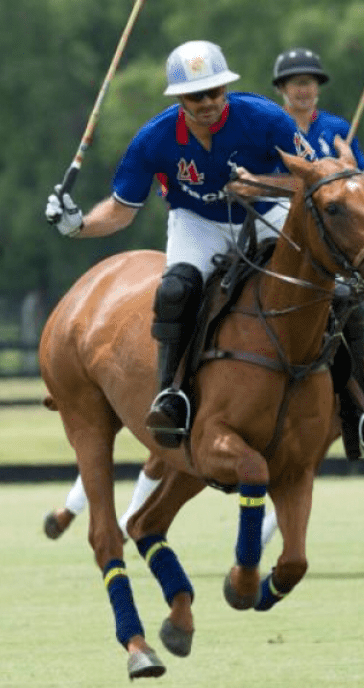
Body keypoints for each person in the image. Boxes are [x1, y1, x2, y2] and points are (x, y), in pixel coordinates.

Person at [44, 39, 310, 449]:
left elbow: (317, 181)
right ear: (179, 98)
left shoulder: (265, 118)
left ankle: (358, 406)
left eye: (214, 91)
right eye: (194, 95)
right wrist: (78, 225)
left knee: (332, 279)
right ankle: (172, 394)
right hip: (197, 222)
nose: (207, 102)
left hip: (266, 212)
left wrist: (261, 185)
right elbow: (120, 209)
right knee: (174, 290)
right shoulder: (155, 138)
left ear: (226, 88)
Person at [270, 47, 364, 459]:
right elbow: (254, 177)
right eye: (296, 82)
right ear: (282, 89)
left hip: (333, 230)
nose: (305, 89)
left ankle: (363, 419)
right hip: (279, 222)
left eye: (310, 82)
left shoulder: (336, 128)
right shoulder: (270, 127)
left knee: (350, 307)